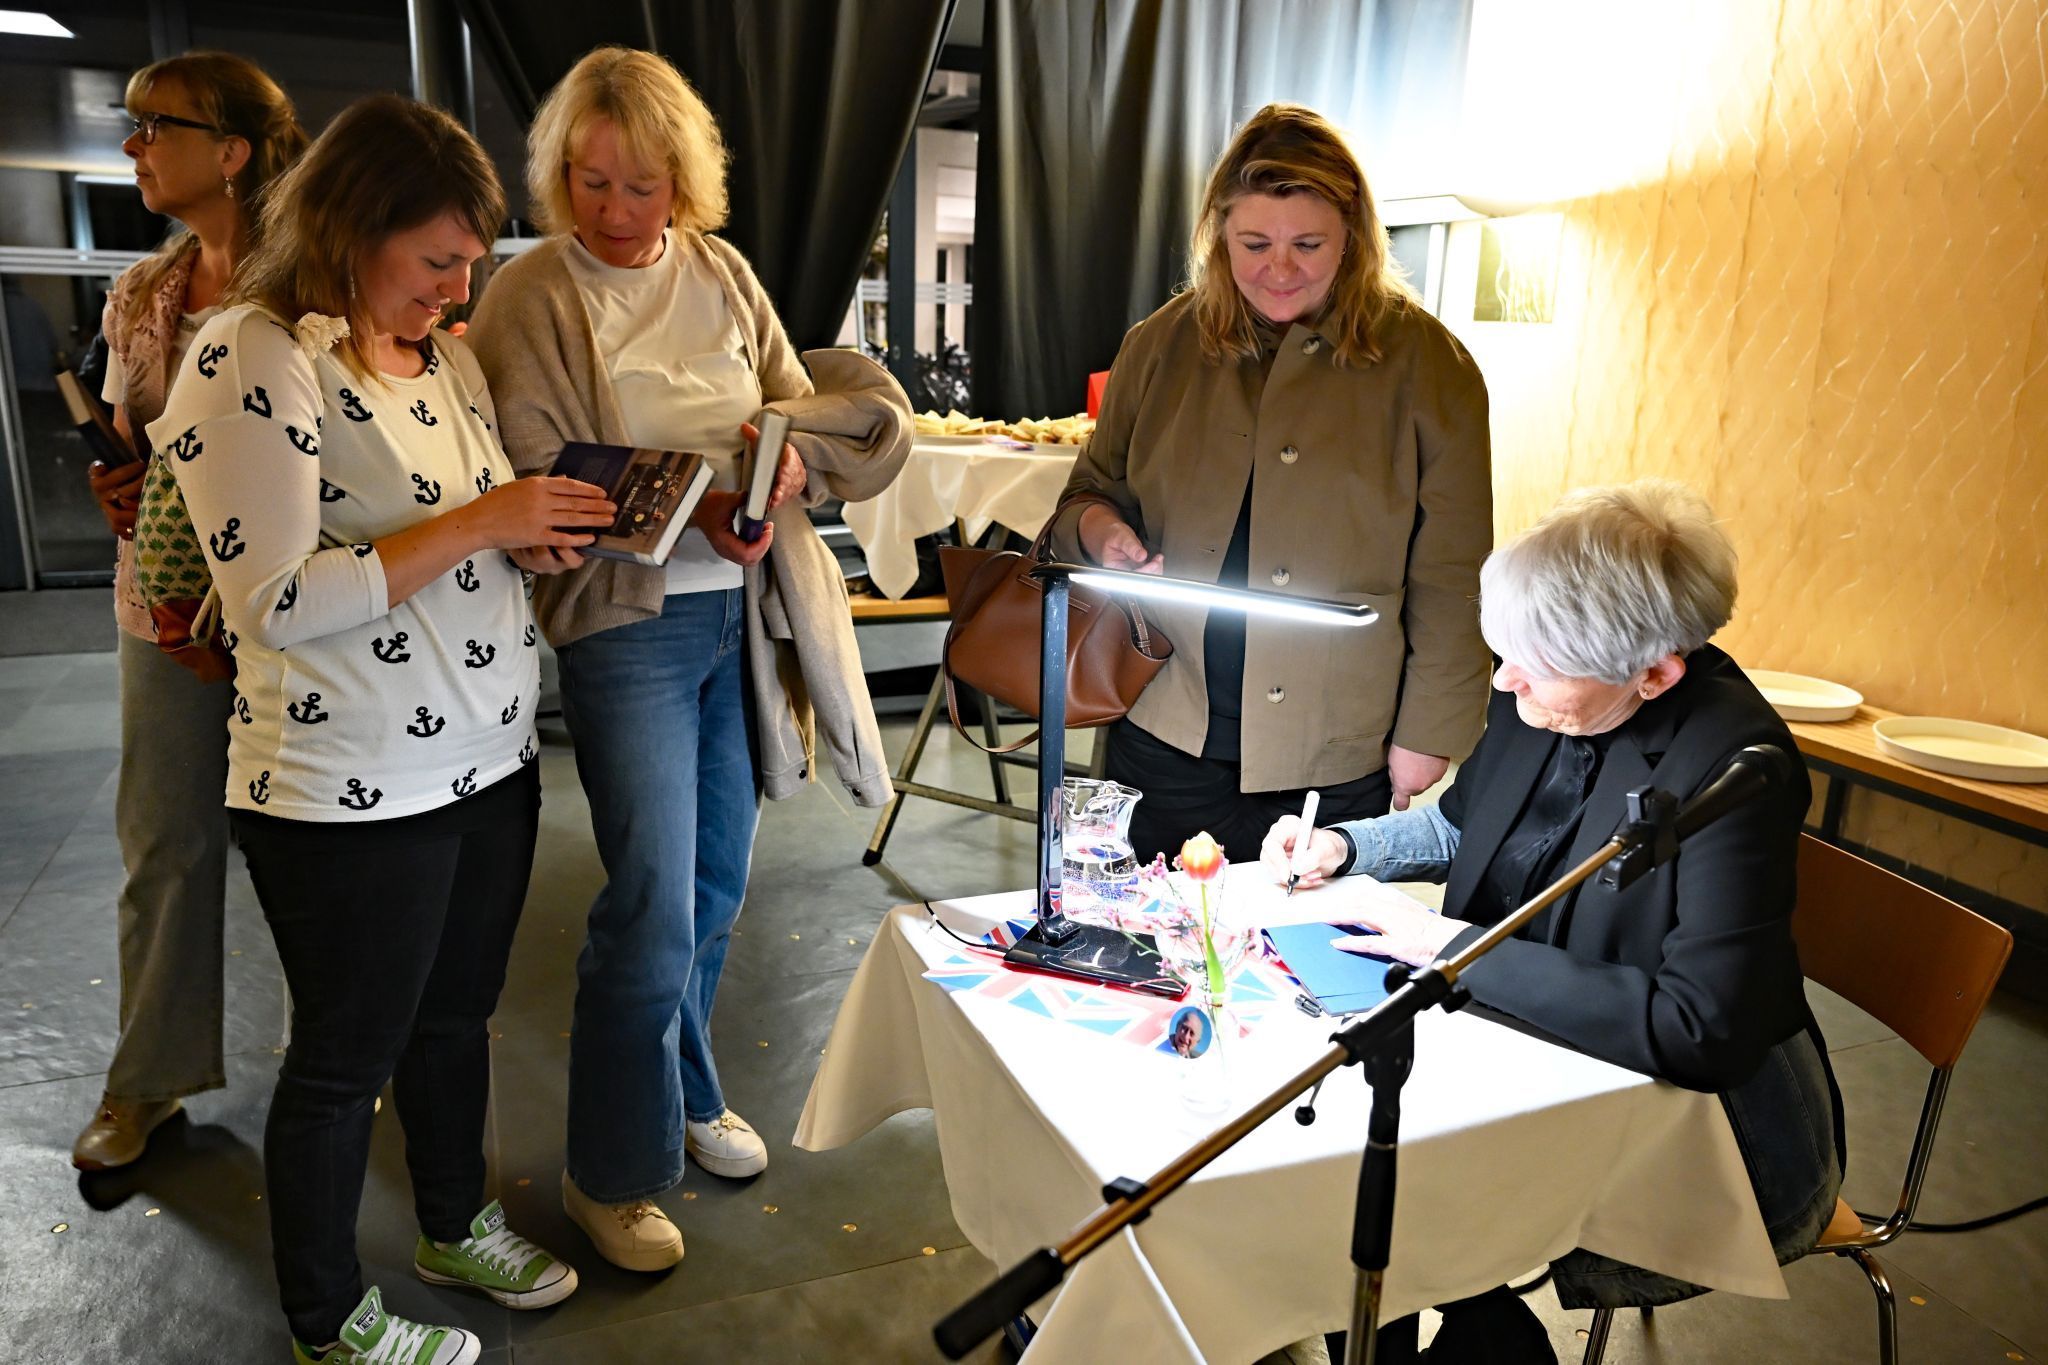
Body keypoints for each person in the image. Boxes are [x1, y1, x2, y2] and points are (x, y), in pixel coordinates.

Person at [153, 94, 614, 1364]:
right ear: (354, 231)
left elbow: (455, 545)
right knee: (343, 1057)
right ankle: (324, 1314)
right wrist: (484, 520)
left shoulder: (443, 360)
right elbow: (276, 598)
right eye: (436, 261)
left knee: (455, 1017)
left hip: (488, 759)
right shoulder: (254, 354)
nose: (457, 290)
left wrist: (541, 530)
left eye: (470, 262)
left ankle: (453, 1221)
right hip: (343, 781)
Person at [468, 46, 911, 1273]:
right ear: (560, 174)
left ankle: (685, 1089)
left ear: (686, 187)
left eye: (644, 189)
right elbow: (535, 473)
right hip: (627, 629)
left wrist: (778, 469)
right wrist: (689, 510)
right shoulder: (528, 295)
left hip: (739, 616)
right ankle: (611, 1169)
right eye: (593, 184)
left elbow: (787, 406)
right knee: (651, 899)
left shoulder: (718, 270)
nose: (617, 213)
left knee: (715, 886)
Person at [1262, 481, 1844, 1363]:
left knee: (1393, 1192)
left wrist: (1459, 954)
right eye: (1505, 652)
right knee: (1363, 1159)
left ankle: (1476, 1328)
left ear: (1655, 671)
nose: (1504, 678)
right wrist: (1346, 848)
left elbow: (1700, 1028)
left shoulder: (1737, 772)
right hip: (1545, 1056)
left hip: (1716, 1138)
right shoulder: (1548, 683)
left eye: (1532, 664)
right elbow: (1466, 823)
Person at [1047, 102, 1493, 866]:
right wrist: (1101, 532)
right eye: (1255, 243)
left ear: (1353, 236)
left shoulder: (1431, 367)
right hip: (1163, 728)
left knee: (1308, 973)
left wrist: (1428, 734)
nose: (1279, 269)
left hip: (1333, 753)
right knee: (1144, 958)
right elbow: (1086, 497)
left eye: (1307, 244)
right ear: (1219, 234)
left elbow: (1454, 573)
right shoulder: (1159, 346)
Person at [72, 51, 308, 1173]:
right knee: (164, 841)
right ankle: (148, 1080)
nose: (133, 148)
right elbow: (130, 443)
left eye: (151, 125)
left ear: (232, 152)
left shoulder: (319, 286)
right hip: (160, 607)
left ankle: (348, 1064)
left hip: (297, 609)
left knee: (323, 845)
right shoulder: (142, 294)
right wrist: (113, 483)